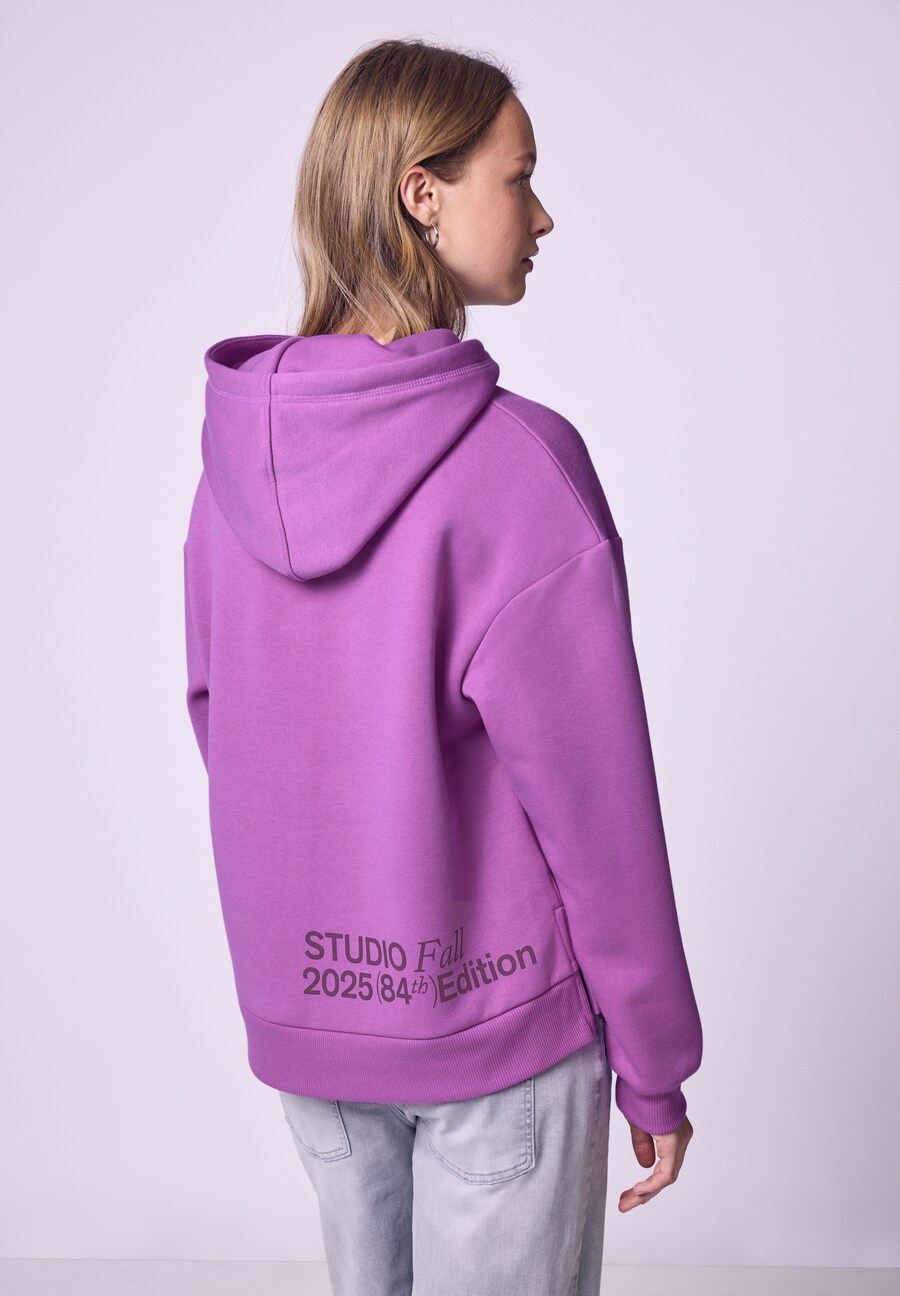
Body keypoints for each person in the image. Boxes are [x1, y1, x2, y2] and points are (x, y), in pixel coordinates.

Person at [182, 36, 702, 1296]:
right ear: (424, 191)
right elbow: (597, 804)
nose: (543, 215)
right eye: (519, 178)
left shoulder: (230, 469)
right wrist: (655, 1061)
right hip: (496, 1033)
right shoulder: (519, 466)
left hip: (312, 1033)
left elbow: (218, 721)